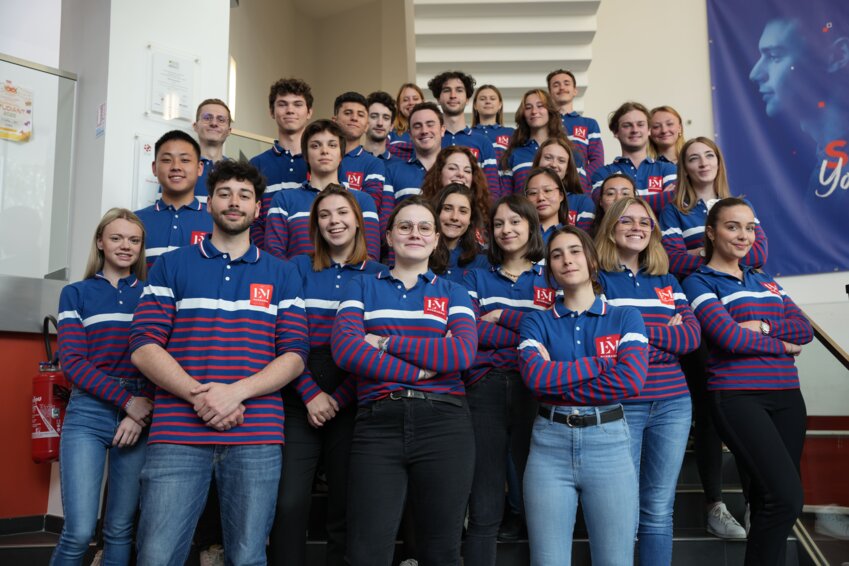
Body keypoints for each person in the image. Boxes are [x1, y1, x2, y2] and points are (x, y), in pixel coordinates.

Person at [130, 159, 309, 565]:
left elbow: (295, 355)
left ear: (257, 208)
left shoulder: (282, 274)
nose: (234, 202)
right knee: (157, 556)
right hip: (177, 433)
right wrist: (201, 397)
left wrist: (236, 393)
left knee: (247, 558)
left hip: (257, 435)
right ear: (209, 203)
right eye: (224, 193)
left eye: (244, 195)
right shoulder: (171, 264)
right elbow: (143, 345)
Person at [331, 196, 478, 566]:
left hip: (445, 424)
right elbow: (346, 351)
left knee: (441, 552)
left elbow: (461, 354)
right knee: (365, 554)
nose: (415, 233)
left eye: (425, 227)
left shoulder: (454, 292)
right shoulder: (360, 286)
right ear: (389, 236)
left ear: (436, 239)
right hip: (378, 425)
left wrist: (384, 343)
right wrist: (419, 370)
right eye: (405, 226)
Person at [682, 198, 813, 565]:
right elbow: (728, 338)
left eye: (750, 228)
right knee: (786, 498)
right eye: (732, 226)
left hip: (788, 397)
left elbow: (804, 330)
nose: (744, 235)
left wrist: (764, 327)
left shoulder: (765, 280)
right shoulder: (698, 281)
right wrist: (782, 345)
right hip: (738, 396)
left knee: (770, 501)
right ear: (711, 232)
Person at [518, 225, 649, 566]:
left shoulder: (625, 317)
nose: (566, 259)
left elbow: (631, 381)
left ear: (591, 260)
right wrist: (601, 364)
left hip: (609, 444)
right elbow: (535, 380)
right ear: (550, 270)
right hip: (549, 446)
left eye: (575, 251)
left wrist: (556, 377)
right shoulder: (536, 322)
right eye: (557, 254)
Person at [269, 186, 384, 566]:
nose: (334, 221)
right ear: (315, 224)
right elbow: (284, 336)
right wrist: (310, 393)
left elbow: (374, 344)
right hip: (299, 388)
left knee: (346, 504)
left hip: (353, 392)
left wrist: (339, 397)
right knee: (288, 502)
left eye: (342, 213)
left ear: (358, 221)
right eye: (324, 215)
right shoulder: (295, 268)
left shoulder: (378, 275)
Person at [595, 197, 701, 565]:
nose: (637, 227)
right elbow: (601, 345)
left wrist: (634, 336)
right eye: (626, 220)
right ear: (611, 227)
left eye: (644, 221)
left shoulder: (668, 280)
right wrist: (663, 337)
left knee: (658, 509)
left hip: (673, 403)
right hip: (622, 403)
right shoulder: (596, 279)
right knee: (620, 509)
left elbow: (691, 338)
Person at [51, 209, 152, 566]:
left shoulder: (152, 294)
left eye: (134, 240)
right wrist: (127, 402)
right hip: (89, 411)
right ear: (100, 242)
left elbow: (165, 356)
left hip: (140, 412)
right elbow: (73, 363)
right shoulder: (75, 293)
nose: (125, 246)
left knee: (120, 530)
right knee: (78, 532)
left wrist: (140, 409)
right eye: (116, 238)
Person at [461, 194, 555, 566]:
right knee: (484, 499)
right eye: (498, 223)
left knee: (542, 499)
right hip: (485, 385)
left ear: (531, 226)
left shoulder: (551, 273)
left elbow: (557, 332)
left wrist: (502, 316)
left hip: (537, 387)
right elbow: (470, 332)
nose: (506, 230)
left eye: (515, 222)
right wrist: (529, 334)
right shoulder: (475, 275)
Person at [265, 120, 380, 261]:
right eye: (315, 145)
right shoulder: (283, 200)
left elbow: (371, 256)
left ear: (341, 154)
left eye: (332, 145)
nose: (324, 151)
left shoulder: (363, 200)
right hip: (295, 275)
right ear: (306, 155)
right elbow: (275, 259)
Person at [660, 137, 768, 278]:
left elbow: (758, 255)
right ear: (684, 169)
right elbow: (675, 262)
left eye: (709, 156)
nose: (704, 163)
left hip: (744, 285)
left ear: (718, 163)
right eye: (694, 158)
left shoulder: (743, 206)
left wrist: (702, 252)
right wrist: (731, 255)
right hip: (699, 287)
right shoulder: (672, 211)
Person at [249, 78, 314, 249]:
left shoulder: (322, 162)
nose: (290, 110)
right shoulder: (255, 165)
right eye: (282, 104)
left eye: (298, 104)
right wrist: (269, 256)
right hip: (268, 256)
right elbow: (251, 219)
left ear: (309, 112)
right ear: (272, 111)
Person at [136, 130, 212, 268]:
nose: (176, 167)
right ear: (154, 168)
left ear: (200, 168)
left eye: (185, 160)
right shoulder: (135, 221)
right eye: (167, 160)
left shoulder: (216, 222)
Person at [591, 101, 677, 215]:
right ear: (616, 132)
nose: (635, 130)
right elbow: (602, 206)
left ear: (649, 130)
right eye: (627, 125)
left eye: (640, 124)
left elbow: (674, 199)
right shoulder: (602, 174)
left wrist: (620, 200)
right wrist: (660, 198)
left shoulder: (669, 169)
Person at [428, 71, 502, 197]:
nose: (453, 95)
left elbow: (492, 190)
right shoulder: (430, 140)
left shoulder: (483, 142)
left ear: (467, 99)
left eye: (459, 90)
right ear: (438, 99)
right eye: (447, 90)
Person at [501, 89, 570, 194]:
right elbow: (505, 197)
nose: (534, 111)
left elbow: (577, 193)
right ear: (523, 114)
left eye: (540, 106)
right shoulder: (513, 154)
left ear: (550, 110)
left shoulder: (567, 151)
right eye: (528, 107)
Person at [384, 102, 446, 215]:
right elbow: (386, 218)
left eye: (430, 124)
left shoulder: (456, 170)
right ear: (410, 135)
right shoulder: (392, 172)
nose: (424, 131)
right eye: (417, 126)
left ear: (442, 130)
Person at [333, 91, 386, 215]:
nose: (354, 118)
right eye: (348, 113)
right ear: (334, 121)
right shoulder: (320, 156)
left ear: (366, 126)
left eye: (360, 115)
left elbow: (370, 206)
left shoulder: (374, 164)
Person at [546, 69, 604, 181]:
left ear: (575, 91)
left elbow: (597, 161)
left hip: (579, 186)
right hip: (548, 184)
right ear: (549, 93)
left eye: (566, 83)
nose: (562, 87)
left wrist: (580, 181)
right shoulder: (542, 123)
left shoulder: (589, 124)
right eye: (556, 85)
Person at [429, 183, 489, 283]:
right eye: (448, 209)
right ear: (437, 212)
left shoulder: (482, 262)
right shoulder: (420, 255)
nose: (454, 217)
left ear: (470, 219)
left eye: (463, 211)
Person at [531, 138, 595, 230]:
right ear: (538, 162)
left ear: (568, 169)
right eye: (548, 158)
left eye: (561, 160)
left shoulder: (583, 203)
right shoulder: (524, 201)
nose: (553, 164)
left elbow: (585, 238)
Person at [420, 145, 492, 222]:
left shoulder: (484, 213)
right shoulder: (422, 209)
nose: (461, 174)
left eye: (467, 171)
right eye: (452, 168)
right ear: (439, 173)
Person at [192, 98, 233, 203]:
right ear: (195, 126)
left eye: (221, 120)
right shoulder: (180, 168)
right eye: (207, 118)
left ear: (229, 131)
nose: (214, 123)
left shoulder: (236, 172)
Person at [523, 168, 571, 244]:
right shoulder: (519, 235)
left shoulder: (572, 237)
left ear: (561, 195)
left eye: (547, 190)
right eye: (533, 193)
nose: (541, 198)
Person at [471, 84, 514, 167]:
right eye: (482, 99)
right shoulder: (467, 134)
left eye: (492, 98)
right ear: (475, 105)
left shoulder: (511, 133)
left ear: (500, 105)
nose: (488, 101)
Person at [588, 171, 636, 237]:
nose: (618, 199)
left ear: (635, 200)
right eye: (610, 194)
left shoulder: (643, 232)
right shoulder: (588, 237)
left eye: (625, 194)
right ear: (601, 201)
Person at [387, 83, 425, 162]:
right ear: (399, 105)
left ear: (423, 102)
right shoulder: (390, 131)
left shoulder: (434, 129)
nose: (411, 102)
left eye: (415, 99)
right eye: (405, 100)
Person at [363, 90, 397, 162]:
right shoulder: (347, 161)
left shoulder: (400, 166)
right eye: (374, 116)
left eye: (386, 118)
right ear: (364, 122)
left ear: (391, 126)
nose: (380, 123)